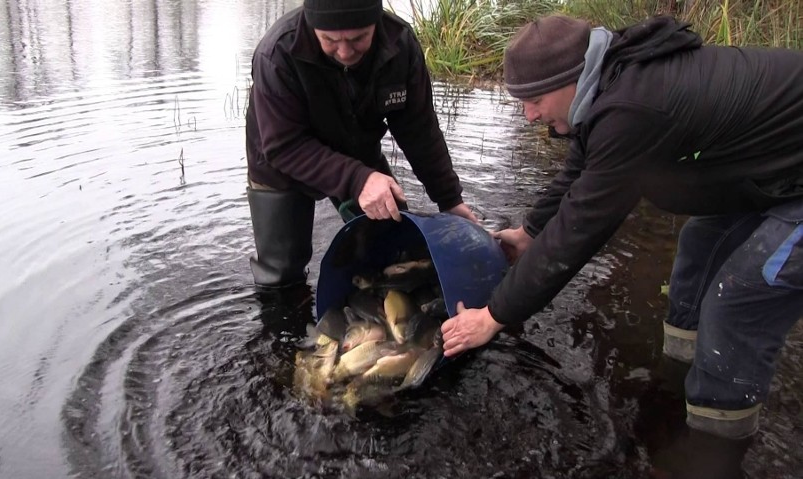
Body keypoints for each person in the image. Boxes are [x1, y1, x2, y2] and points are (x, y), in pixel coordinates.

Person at [441, 13, 803, 475]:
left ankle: (714, 452)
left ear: (570, 79)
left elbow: (580, 231)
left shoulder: (633, 109)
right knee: (698, 247)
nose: (529, 116)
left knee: (739, 298)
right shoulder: (609, 86)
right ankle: (675, 386)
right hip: (771, 168)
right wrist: (529, 233)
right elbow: (580, 172)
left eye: (533, 101)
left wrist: (494, 315)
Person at [245, 0, 477, 288]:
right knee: (280, 273)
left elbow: (420, 130)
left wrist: (450, 200)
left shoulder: (400, 44)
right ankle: (285, 325)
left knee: (392, 245)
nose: (344, 52)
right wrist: (357, 179)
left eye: (358, 39)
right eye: (329, 40)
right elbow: (283, 146)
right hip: (281, 161)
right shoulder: (276, 53)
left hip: (356, 151)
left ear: (376, 23)